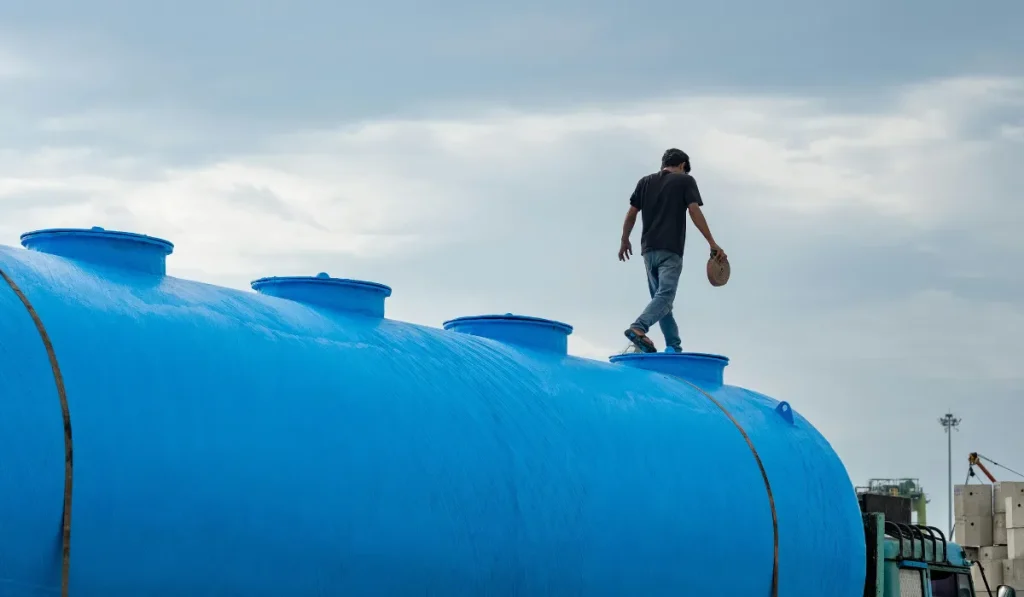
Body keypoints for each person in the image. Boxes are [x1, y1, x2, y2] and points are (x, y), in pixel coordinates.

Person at [618, 148, 725, 353]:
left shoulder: (645, 182)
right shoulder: (685, 180)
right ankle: (638, 327)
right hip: (670, 249)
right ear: (683, 166)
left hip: (648, 250)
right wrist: (712, 242)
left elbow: (631, 213)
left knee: (661, 299)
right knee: (665, 296)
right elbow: (694, 210)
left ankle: (674, 347)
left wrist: (625, 240)